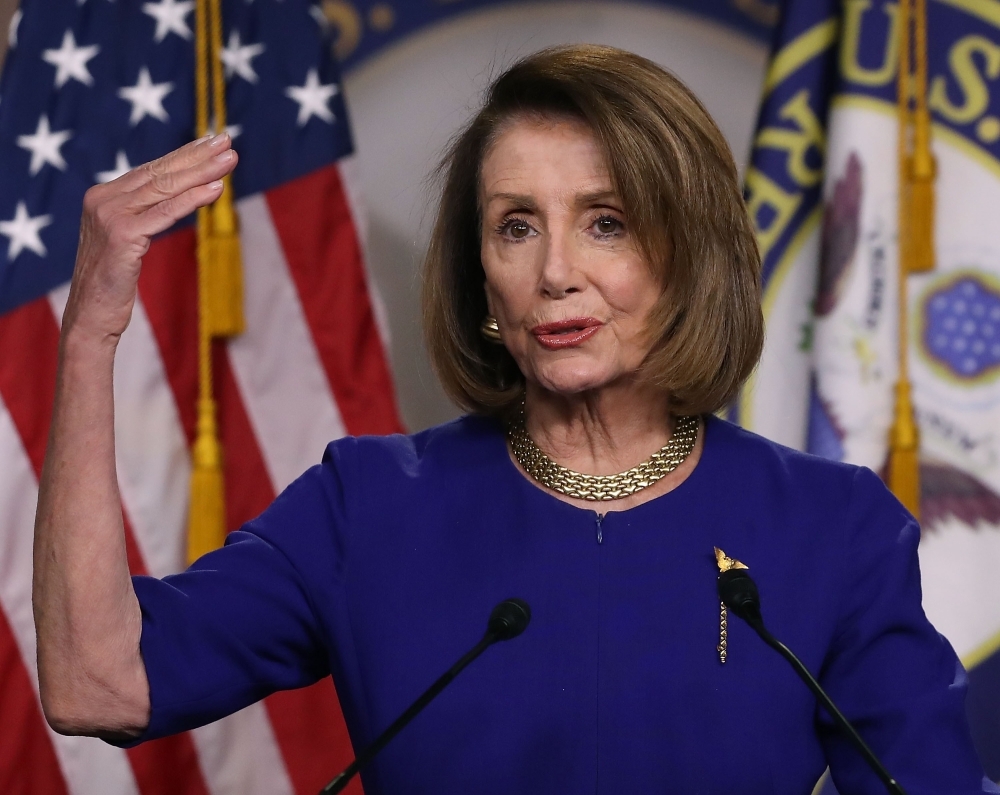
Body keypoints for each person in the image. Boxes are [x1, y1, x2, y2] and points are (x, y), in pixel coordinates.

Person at [33, 45, 993, 793]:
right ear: (483, 279)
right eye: (516, 225)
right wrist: (89, 339)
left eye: (606, 220)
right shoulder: (365, 508)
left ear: (689, 256)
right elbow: (96, 683)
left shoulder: (836, 527)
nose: (556, 270)